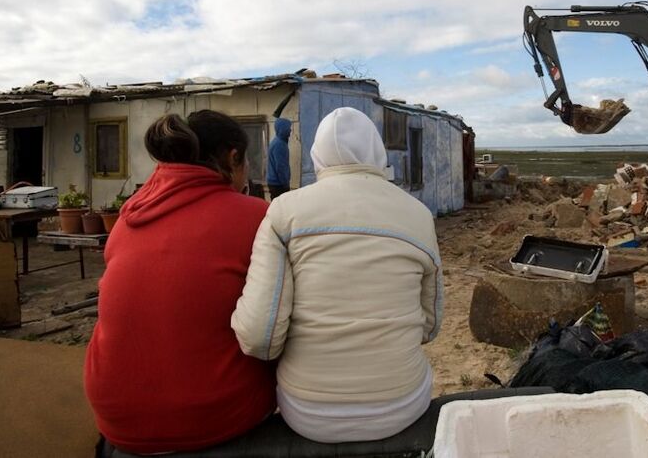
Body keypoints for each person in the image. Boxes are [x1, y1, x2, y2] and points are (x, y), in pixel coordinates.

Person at [232, 107, 443, 443]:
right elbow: (430, 327)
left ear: (317, 155)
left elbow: (261, 337)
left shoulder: (284, 212)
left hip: (309, 412)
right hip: (402, 404)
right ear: (377, 152)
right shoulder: (418, 214)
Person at [85, 111, 276, 454]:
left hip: (115, 417)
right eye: (246, 162)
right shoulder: (255, 217)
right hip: (208, 417)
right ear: (234, 158)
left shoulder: (129, 216)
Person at [266, 117, 292, 199]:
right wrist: (285, 184)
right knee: (281, 209)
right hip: (278, 184)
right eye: (288, 128)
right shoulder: (280, 145)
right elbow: (281, 166)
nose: (290, 130)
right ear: (283, 129)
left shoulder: (277, 141)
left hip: (274, 183)